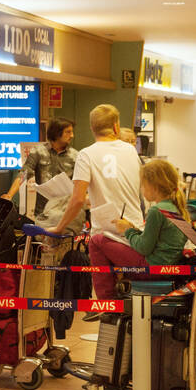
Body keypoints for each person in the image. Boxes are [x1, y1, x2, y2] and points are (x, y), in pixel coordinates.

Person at [56, 105, 145, 306]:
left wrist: (59, 227)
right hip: (136, 234)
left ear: (92, 128)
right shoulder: (131, 151)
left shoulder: (86, 154)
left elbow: (77, 199)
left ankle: (107, 310)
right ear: (115, 126)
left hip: (106, 236)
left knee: (96, 243)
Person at [114, 159, 192, 273]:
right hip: (168, 267)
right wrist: (134, 230)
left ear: (153, 186)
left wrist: (128, 231)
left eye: (143, 185)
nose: (142, 189)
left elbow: (144, 248)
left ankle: (107, 291)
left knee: (99, 241)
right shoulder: (174, 207)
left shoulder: (156, 210)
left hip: (154, 268)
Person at [2, 117, 80, 227]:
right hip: (43, 212)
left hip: (65, 212)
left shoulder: (75, 156)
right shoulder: (39, 151)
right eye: (68, 132)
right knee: (41, 243)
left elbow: (81, 184)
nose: (72, 135)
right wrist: (9, 195)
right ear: (57, 133)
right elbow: (24, 173)